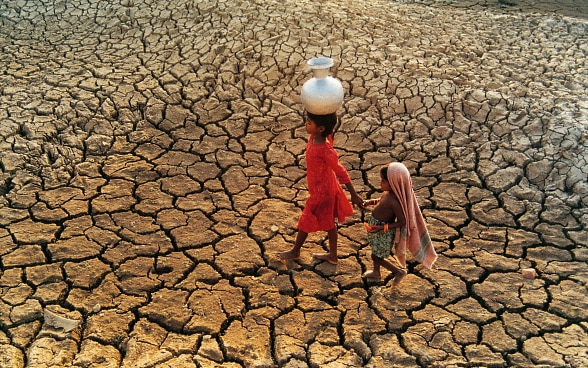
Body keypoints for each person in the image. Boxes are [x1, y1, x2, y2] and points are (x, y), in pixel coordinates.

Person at [278, 111, 363, 265]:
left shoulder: (325, 149)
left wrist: (354, 195)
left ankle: (295, 251)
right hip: (319, 187)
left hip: (323, 191)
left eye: (309, 123)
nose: (306, 124)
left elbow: (340, 171)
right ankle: (333, 255)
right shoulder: (314, 137)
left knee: (306, 217)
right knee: (330, 223)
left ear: (321, 129)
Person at [362, 162, 437, 286]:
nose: (380, 183)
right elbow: (380, 201)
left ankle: (398, 272)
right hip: (377, 229)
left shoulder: (395, 202)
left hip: (383, 233)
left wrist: (383, 227)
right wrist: (370, 202)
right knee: (375, 251)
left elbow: (403, 222)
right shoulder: (388, 193)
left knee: (376, 257)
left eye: (383, 181)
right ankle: (376, 273)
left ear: (393, 184)